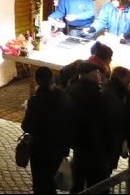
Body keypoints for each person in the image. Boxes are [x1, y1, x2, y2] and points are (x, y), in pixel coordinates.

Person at [22, 67, 72, 195]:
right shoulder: (64, 97)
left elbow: (26, 126)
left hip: (40, 149)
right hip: (59, 148)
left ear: (37, 80)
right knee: (50, 179)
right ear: (52, 79)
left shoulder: (35, 101)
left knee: (41, 182)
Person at [66, 62, 106, 193]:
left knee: (79, 174)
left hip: (78, 139)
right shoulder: (93, 93)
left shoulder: (73, 87)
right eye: (97, 72)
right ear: (90, 74)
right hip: (91, 140)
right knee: (93, 178)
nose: (100, 75)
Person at [99, 66, 130, 182]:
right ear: (121, 79)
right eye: (128, 79)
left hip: (107, 147)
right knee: (101, 179)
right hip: (107, 147)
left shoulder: (110, 92)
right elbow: (113, 124)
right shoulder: (113, 97)